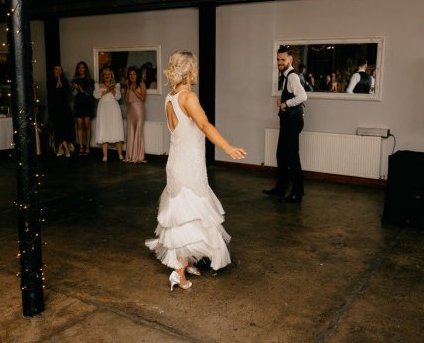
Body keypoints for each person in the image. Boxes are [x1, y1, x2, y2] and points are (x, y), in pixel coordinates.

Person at [145, 51, 246, 291]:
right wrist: (227, 146)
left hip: (179, 164)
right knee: (190, 217)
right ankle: (178, 273)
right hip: (187, 167)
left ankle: (186, 261)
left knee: (186, 216)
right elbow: (204, 125)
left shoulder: (170, 97)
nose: (197, 73)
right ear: (188, 71)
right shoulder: (188, 97)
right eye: (196, 69)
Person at [262, 45, 307, 203]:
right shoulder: (287, 75)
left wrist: (286, 104)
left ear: (290, 59)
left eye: (283, 59)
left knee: (292, 158)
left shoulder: (292, 76)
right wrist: (283, 101)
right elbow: (292, 95)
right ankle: (280, 189)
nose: (280, 62)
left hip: (292, 123)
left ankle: (297, 193)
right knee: (281, 155)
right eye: (278, 60)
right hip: (288, 121)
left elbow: (302, 96)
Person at [93, 67, 124, 162]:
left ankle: (120, 154)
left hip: (114, 108)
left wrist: (112, 90)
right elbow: (96, 95)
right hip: (103, 109)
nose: (107, 76)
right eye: (105, 74)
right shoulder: (98, 85)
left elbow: (118, 97)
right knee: (104, 129)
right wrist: (106, 90)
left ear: (112, 76)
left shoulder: (116, 85)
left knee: (116, 129)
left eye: (109, 74)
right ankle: (105, 155)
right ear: (103, 76)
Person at [46, 65, 74, 158]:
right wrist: (57, 85)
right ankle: (66, 148)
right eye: (56, 69)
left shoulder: (65, 82)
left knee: (64, 128)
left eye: (60, 70)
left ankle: (61, 148)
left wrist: (60, 85)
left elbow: (66, 94)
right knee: (58, 128)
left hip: (64, 108)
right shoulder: (49, 81)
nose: (58, 71)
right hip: (54, 108)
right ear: (53, 71)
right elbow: (51, 95)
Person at [71, 61, 95, 156]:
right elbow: (73, 94)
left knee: (87, 126)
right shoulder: (74, 80)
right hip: (78, 104)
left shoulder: (90, 80)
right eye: (79, 67)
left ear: (85, 69)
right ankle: (81, 146)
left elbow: (90, 94)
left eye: (83, 67)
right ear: (77, 69)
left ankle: (88, 146)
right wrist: (75, 89)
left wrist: (81, 89)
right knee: (79, 126)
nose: (81, 69)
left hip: (87, 104)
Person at [124, 66, 147, 163]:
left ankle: (138, 156)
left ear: (137, 75)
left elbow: (143, 98)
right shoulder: (127, 85)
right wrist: (128, 89)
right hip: (130, 110)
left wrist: (134, 90)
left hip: (139, 110)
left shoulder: (141, 84)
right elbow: (127, 100)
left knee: (138, 132)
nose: (132, 76)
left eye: (134, 74)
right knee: (130, 132)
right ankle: (129, 156)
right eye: (130, 74)